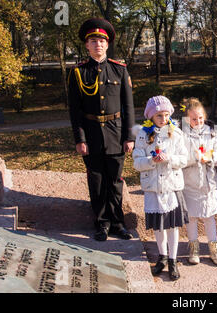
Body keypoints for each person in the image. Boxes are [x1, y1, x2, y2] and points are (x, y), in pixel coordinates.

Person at [68, 18, 134, 241]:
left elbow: (128, 107)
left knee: (115, 181)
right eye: (93, 41)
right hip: (92, 135)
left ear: (107, 45)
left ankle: (118, 223)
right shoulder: (78, 73)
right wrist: (80, 138)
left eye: (101, 41)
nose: (98, 44)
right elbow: (75, 111)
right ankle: (102, 223)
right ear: (87, 45)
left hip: (116, 135)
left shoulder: (120, 70)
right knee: (96, 182)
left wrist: (129, 137)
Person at [132, 95, 189, 281]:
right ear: (151, 116)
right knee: (159, 227)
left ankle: (173, 259)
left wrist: (169, 159)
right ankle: (162, 256)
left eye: (166, 115)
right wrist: (151, 161)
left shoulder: (177, 133)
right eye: (159, 116)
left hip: (172, 186)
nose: (163, 119)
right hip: (153, 187)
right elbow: (137, 162)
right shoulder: (143, 135)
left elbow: (184, 159)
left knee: (172, 226)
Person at [180, 98, 217, 266]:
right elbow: (180, 158)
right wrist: (194, 158)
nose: (197, 121)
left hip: (208, 182)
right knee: (192, 216)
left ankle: (214, 249)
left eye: (200, 117)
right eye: (193, 119)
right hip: (190, 181)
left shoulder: (212, 132)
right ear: (187, 119)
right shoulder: (182, 134)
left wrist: (210, 157)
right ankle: (194, 247)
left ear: (204, 116)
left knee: (209, 216)